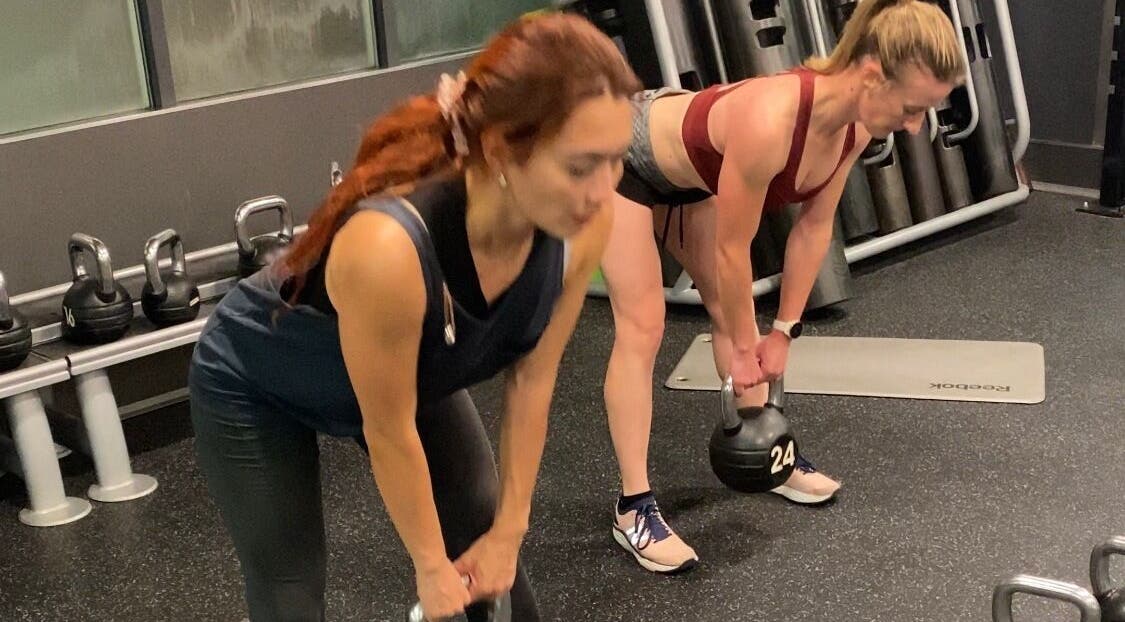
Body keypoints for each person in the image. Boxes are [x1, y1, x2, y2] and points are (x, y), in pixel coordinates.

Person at [188, 13, 640, 621]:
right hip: (255, 378)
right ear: (503, 148)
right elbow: (389, 429)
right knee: (290, 590)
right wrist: (429, 568)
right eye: (581, 166)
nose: (603, 190)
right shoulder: (389, 250)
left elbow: (532, 381)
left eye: (616, 160)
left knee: (488, 543)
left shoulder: (583, 227)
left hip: (409, 368)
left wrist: (510, 532)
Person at [599, 0, 967, 573]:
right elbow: (730, 248)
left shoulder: (851, 130)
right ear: (872, 75)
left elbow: (814, 229)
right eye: (913, 107)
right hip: (623, 153)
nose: (917, 125)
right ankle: (633, 509)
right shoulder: (772, 120)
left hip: (689, 169)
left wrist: (783, 334)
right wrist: (747, 350)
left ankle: (764, 449)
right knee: (643, 324)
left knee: (727, 310)